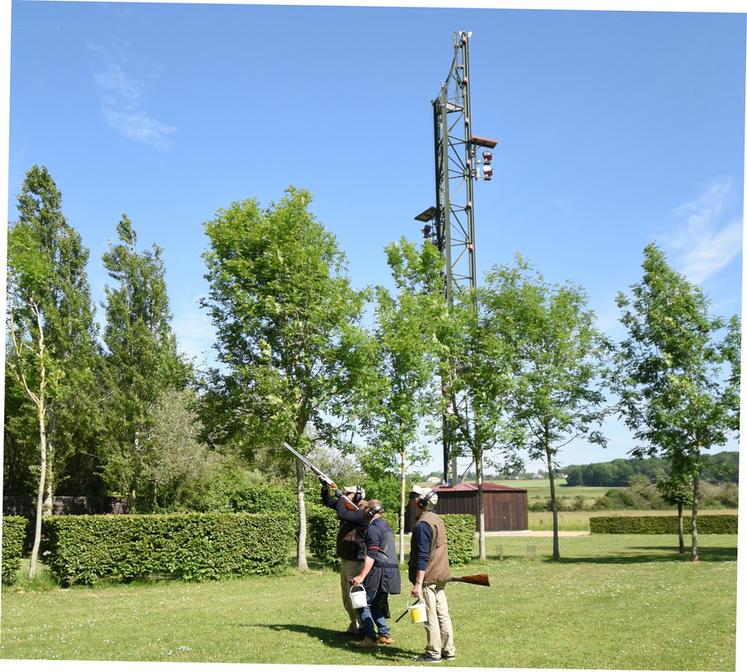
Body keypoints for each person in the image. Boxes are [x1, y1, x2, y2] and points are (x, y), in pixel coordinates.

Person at [408, 484, 456, 663]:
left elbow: (421, 557)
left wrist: (418, 584)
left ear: (421, 501)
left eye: (415, 496)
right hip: (441, 575)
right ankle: (448, 650)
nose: (413, 499)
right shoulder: (436, 519)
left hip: (428, 578)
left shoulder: (422, 525)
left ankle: (433, 652)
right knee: (443, 613)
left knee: (430, 615)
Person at [349, 499, 401, 649]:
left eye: (365, 509)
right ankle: (384, 635)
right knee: (375, 603)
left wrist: (361, 576)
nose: (363, 512)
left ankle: (370, 638)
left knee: (362, 603)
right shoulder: (385, 525)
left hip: (380, 572)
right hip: (390, 572)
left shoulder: (373, 528)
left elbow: (371, 554)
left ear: (371, 511)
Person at [320, 480, 369, 636]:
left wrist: (341, 497)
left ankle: (364, 629)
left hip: (356, 559)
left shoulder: (363, 511)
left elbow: (341, 513)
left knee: (354, 595)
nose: (347, 495)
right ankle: (354, 625)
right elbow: (328, 502)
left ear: (358, 496)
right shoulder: (349, 506)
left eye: (350, 493)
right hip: (347, 558)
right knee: (346, 596)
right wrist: (325, 487)